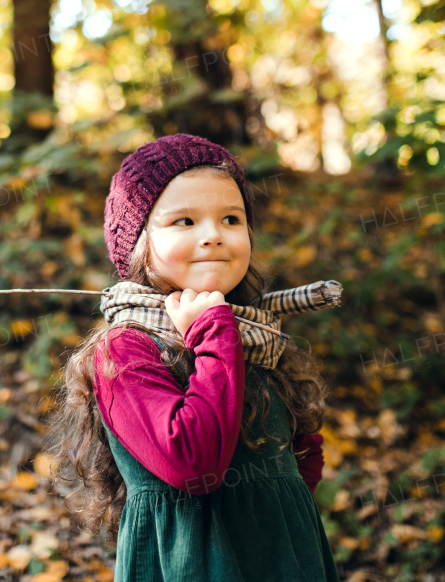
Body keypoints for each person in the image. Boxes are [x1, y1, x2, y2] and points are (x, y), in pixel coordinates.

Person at [45, 133, 343, 581]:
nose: (212, 236)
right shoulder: (126, 349)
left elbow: (300, 453)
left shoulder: (255, 336)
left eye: (231, 218)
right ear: (139, 245)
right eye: (183, 221)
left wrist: (277, 520)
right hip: (189, 563)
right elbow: (192, 463)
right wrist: (212, 335)